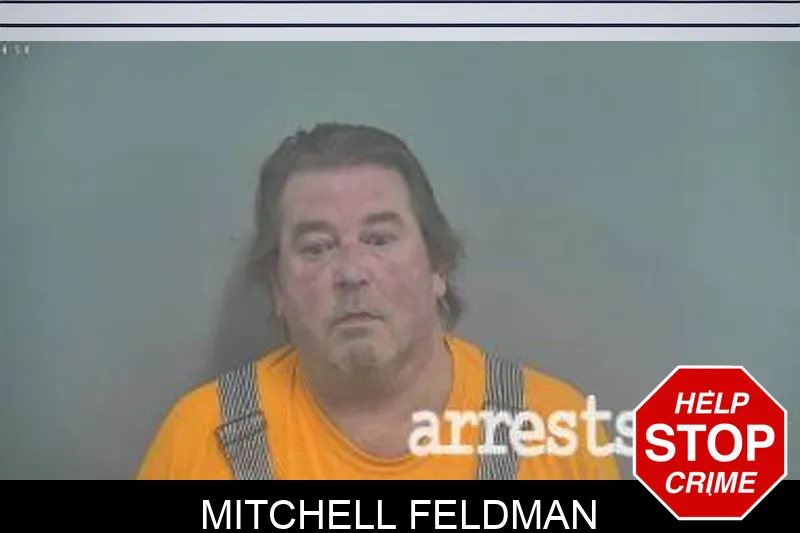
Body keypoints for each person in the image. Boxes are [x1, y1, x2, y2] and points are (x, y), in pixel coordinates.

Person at [136, 123, 622, 480]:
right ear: (278, 287)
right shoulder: (201, 438)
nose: (351, 273)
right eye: (317, 248)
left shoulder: (554, 430)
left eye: (380, 239)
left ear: (437, 266)